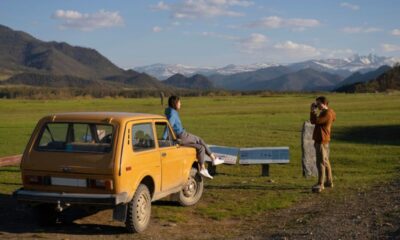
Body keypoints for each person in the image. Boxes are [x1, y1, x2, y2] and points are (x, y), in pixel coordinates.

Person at [165, 96, 224, 179]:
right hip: (182, 135)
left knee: (200, 148)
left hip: (179, 138)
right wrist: (164, 139)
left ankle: (203, 168)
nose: (180, 104)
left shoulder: (170, 112)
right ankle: (214, 159)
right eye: (179, 102)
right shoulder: (172, 113)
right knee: (199, 140)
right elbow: (168, 126)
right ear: (175, 103)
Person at [310, 96, 336, 193]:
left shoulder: (326, 113)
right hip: (325, 139)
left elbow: (314, 121)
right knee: (325, 161)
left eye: (319, 103)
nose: (317, 105)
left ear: (324, 103)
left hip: (321, 140)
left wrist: (312, 111)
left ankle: (320, 184)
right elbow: (334, 119)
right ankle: (329, 181)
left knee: (320, 162)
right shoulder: (331, 112)